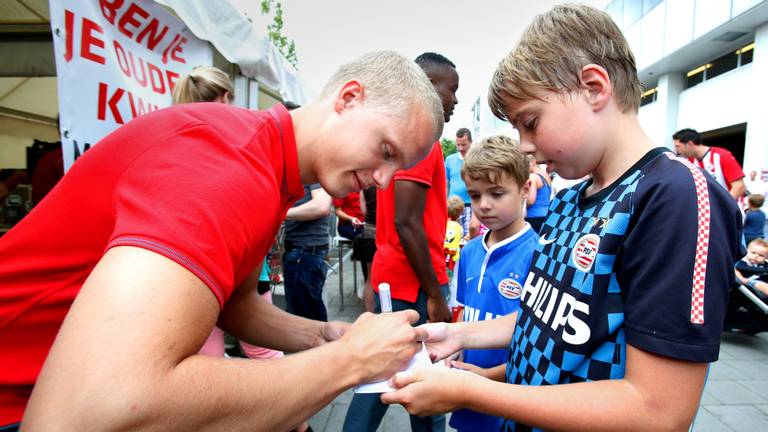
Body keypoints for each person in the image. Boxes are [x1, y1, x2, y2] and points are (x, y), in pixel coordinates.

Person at [0, 50, 445, 431]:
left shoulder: (268, 166)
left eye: (399, 166)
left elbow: (236, 303)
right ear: (348, 99)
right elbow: (101, 405)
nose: (384, 180)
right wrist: (349, 362)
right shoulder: (228, 168)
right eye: (387, 151)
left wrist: (321, 336)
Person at [381, 5, 744, 431]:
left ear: (594, 87)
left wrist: (471, 392)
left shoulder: (673, 196)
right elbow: (543, 315)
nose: (524, 146)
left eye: (531, 122)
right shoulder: (568, 199)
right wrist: (462, 336)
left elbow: (659, 410)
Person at [342, 51, 459, 432]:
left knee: (399, 378)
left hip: (400, 278)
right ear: (425, 86)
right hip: (413, 284)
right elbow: (406, 223)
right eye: (450, 90)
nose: (455, 100)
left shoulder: (408, 140)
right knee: (395, 379)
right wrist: (436, 294)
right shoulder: (421, 142)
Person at [448, 135, 538, 432]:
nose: (483, 205)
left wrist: (488, 376)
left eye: (497, 194)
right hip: (467, 394)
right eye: (475, 196)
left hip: (508, 401)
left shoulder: (539, 255)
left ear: (525, 189)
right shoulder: (470, 251)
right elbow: (463, 311)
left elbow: (536, 346)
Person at [282, 182, 333, 321]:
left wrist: (280, 213)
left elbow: (321, 206)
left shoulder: (313, 175)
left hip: (304, 253)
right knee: (305, 314)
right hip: (302, 251)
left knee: (305, 318)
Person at [673, 128, 746, 201]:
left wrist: (723, 207)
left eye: (678, 146)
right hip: (709, 209)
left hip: (730, 209)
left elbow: (739, 186)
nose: (676, 150)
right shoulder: (689, 161)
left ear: (689, 144)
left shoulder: (721, 155)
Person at [445, 128, 474, 237]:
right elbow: (446, 182)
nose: (460, 148)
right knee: (452, 237)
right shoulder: (449, 160)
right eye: (458, 145)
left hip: (469, 205)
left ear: (471, 142)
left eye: (464, 145)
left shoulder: (475, 159)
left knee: (467, 237)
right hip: (452, 207)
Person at [524, 154, 552, 233]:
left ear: (533, 162)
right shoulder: (546, 176)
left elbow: (530, 201)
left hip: (533, 217)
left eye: (525, 164)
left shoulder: (533, 177)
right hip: (545, 215)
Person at [444, 195, 465, 275]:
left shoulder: (442, 224)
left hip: (441, 255)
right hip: (452, 258)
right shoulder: (459, 228)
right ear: (460, 213)